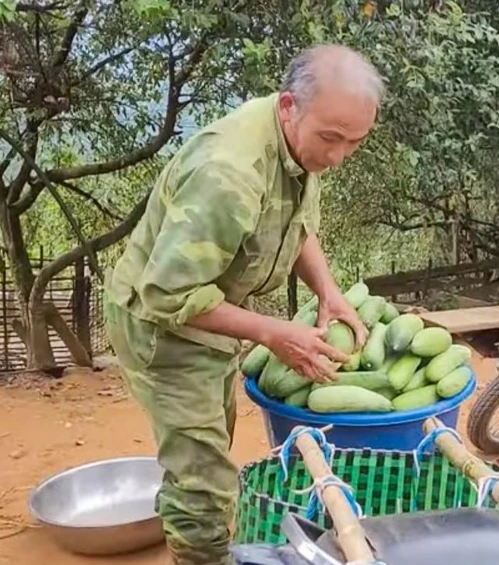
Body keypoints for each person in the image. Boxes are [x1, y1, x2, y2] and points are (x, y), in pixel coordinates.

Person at [103, 44, 383, 565]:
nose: (338, 156)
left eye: (356, 142)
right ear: (287, 107)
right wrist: (273, 333)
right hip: (161, 329)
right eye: (331, 138)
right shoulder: (227, 174)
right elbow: (166, 294)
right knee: (206, 477)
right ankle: (201, 554)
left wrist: (328, 291)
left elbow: (297, 226)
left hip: (210, 316)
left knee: (207, 444)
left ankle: (187, 516)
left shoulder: (300, 141)